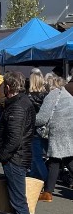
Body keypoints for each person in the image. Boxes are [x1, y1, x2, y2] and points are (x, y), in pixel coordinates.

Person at [0, 71, 36, 214]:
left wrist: (2, 156)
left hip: (15, 158)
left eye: (4, 85)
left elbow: (14, 139)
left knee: (19, 202)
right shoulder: (20, 103)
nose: (2, 88)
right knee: (16, 199)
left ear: (9, 87)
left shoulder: (18, 106)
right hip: (18, 156)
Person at [35, 73, 73, 203]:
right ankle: (48, 191)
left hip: (58, 131)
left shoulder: (52, 95)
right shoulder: (68, 95)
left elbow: (42, 118)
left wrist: (29, 119)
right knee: (67, 158)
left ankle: (48, 193)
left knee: (54, 160)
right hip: (70, 130)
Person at [27, 70, 48, 181]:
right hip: (45, 128)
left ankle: (46, 179)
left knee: (36, 156)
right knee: (38, 156)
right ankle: (33, 176)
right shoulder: (47, 96)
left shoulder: (29, 97)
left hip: (34, 128)